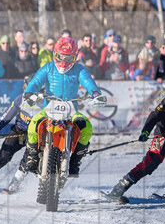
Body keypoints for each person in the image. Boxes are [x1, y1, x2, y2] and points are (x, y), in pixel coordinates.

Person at [20, 36, 103, 180]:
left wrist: (96, 95)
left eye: (69, 58)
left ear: (75, 57)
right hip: (48, 109)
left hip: (71, 111)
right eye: (61, 56)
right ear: (55, 54)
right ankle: (32, 157)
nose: (64, 62)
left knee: (86, 127)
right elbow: (35, 82)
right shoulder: (48, 67)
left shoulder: (79, 70)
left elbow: (90, 84)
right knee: (33, 125)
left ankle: (76, 161)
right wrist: (29, 93)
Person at [105, 79, 165, 203]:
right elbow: (155, 115)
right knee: (152, 162)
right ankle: (121, 186)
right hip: (163, 135)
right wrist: (146, 131)